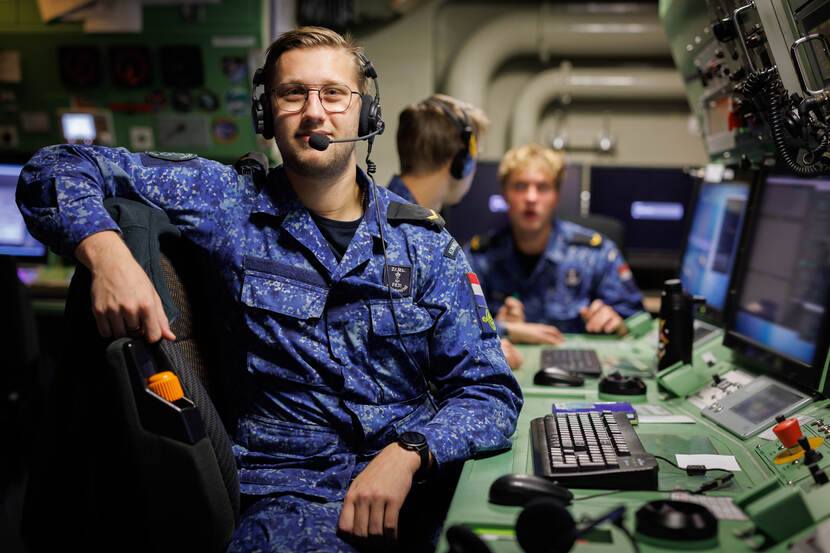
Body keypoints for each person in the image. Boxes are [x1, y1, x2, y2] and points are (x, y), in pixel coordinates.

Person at [17, 26, 522, 553]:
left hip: (422, 484)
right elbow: (56, 165)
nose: (314, 111)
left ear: (364, 113)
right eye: (293, 94)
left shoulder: (423, 242)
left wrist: (409, 451)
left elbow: (490, 390)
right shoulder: (227, 202)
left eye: (333, 93)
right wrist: (105, 252)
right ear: (267, 114)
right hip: (294, 500)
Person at [387, 95, 549, 368]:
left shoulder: (408, 222)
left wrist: (503, 332)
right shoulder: (405, 235)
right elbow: (398, 344)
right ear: (463, 160)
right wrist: (478, 356)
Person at [466, 143, 643, 335]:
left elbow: (639, 321)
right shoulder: (479, 257)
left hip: (577, 362)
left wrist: (618, 323)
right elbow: (456, 328)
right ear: (505, 194)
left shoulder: (595, 253)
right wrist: (503, 329)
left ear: (557, 196)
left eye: (542, 187)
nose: (531, 197)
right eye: (520, 187)